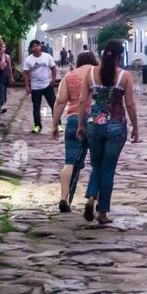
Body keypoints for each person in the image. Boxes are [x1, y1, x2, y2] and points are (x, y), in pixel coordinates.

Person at [76, 40, 140, 225]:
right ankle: (102, 211)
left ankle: (90, 197)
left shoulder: (90, 74)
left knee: (96, 165)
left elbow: (82, 102)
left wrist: (81, 125)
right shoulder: (124, 77)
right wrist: (135, 127)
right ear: (120, 56)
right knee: (108, 169)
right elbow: (129, 104)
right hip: (116, 126)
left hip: (94, 125)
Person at [53, 51, 97, 212]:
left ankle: (64, 197)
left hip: (73, 118)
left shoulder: (69, 76)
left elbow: (60, 101)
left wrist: (54, 124)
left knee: (69, 162)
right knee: (98, 163)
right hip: (96, 120)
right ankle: (93, 198)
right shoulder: (98, 75)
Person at [23, 40, 58, 134]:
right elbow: (26, 73)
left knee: (54, 105)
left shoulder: (47, 57)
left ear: (40, 47)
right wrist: (27, 86)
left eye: (37, 46)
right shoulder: (28, 60)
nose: (36, 48)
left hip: (47, 85)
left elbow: (54, 68)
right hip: (35, 86)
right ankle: (37, 126)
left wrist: (53, 79)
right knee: (36, 107)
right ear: (31, 48)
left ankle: (57, 124)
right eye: (33, 46)